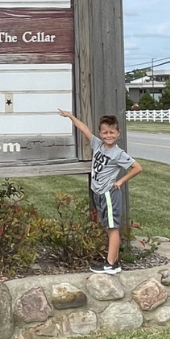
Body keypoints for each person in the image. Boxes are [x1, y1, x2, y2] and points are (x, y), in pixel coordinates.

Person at [59, 108, 143, 274]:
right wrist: (70, 116)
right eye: (105, 132)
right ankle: (114, 261)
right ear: (100, 133)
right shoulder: (97, 144)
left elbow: (137, 168)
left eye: (112, 132)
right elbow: (84, 129)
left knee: (112, 228)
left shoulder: (118, 153)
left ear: (118, 133)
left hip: (109, 194)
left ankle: (110, 264)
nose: (108, 135)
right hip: (99, 193)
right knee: (108, 227)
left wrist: (120, 181)